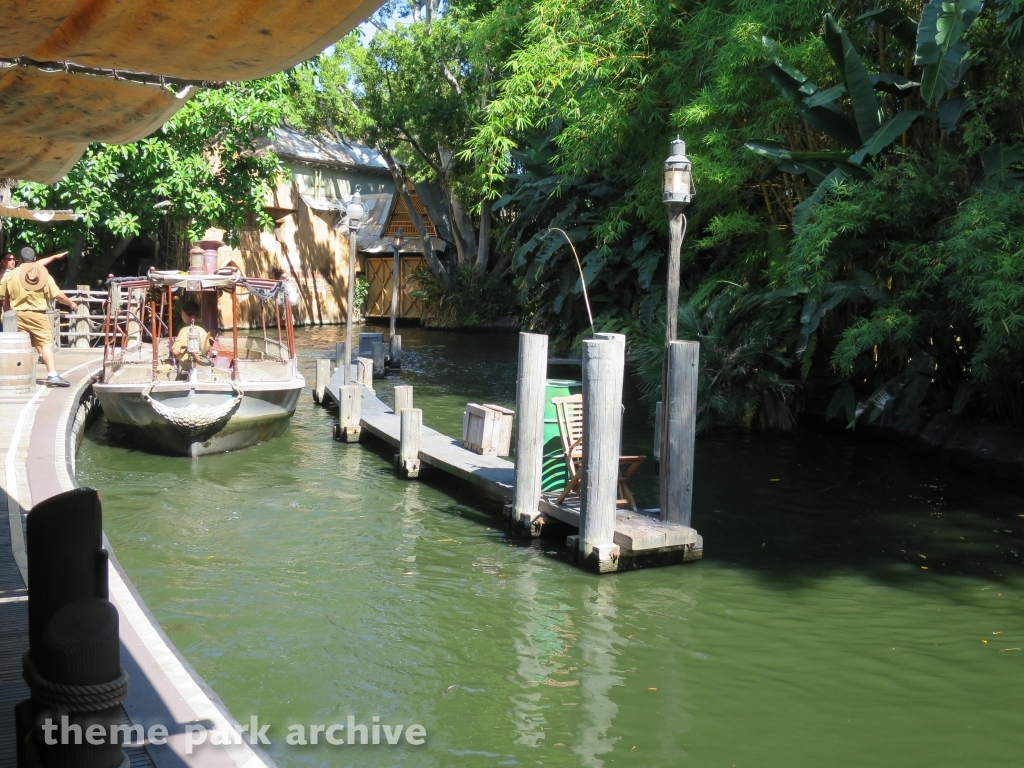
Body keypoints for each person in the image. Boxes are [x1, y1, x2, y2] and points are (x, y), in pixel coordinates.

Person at [0, 248, 78, 386]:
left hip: (17, 315)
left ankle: (16, 375)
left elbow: (5, 300)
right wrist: (71, 303)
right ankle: (52, 374)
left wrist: (6, 317)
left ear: (20, 259)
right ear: (34, 259)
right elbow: (57, 295)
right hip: (39, 316)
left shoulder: (10, 276)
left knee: (19, 346)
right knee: (45, 343)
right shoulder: (43, 274)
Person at [170, 298, 213, 369]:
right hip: (203, 356)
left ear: (184, 313)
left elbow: (175, 351)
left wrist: (171, 346)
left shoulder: (187, 329)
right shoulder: (202, 325)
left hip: (188, 362)